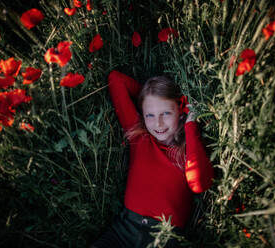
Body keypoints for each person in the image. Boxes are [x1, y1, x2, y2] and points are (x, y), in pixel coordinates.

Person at [91, 70, 214, 248]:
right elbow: (116, 79)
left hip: (164, 238)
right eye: (150, 115)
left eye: (165, 113)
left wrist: (190, 123)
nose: (158, 124)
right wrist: (150, 98)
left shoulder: (188, 150)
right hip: (123, 232)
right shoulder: (139, 136)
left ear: (180, 109)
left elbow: (200, 184)